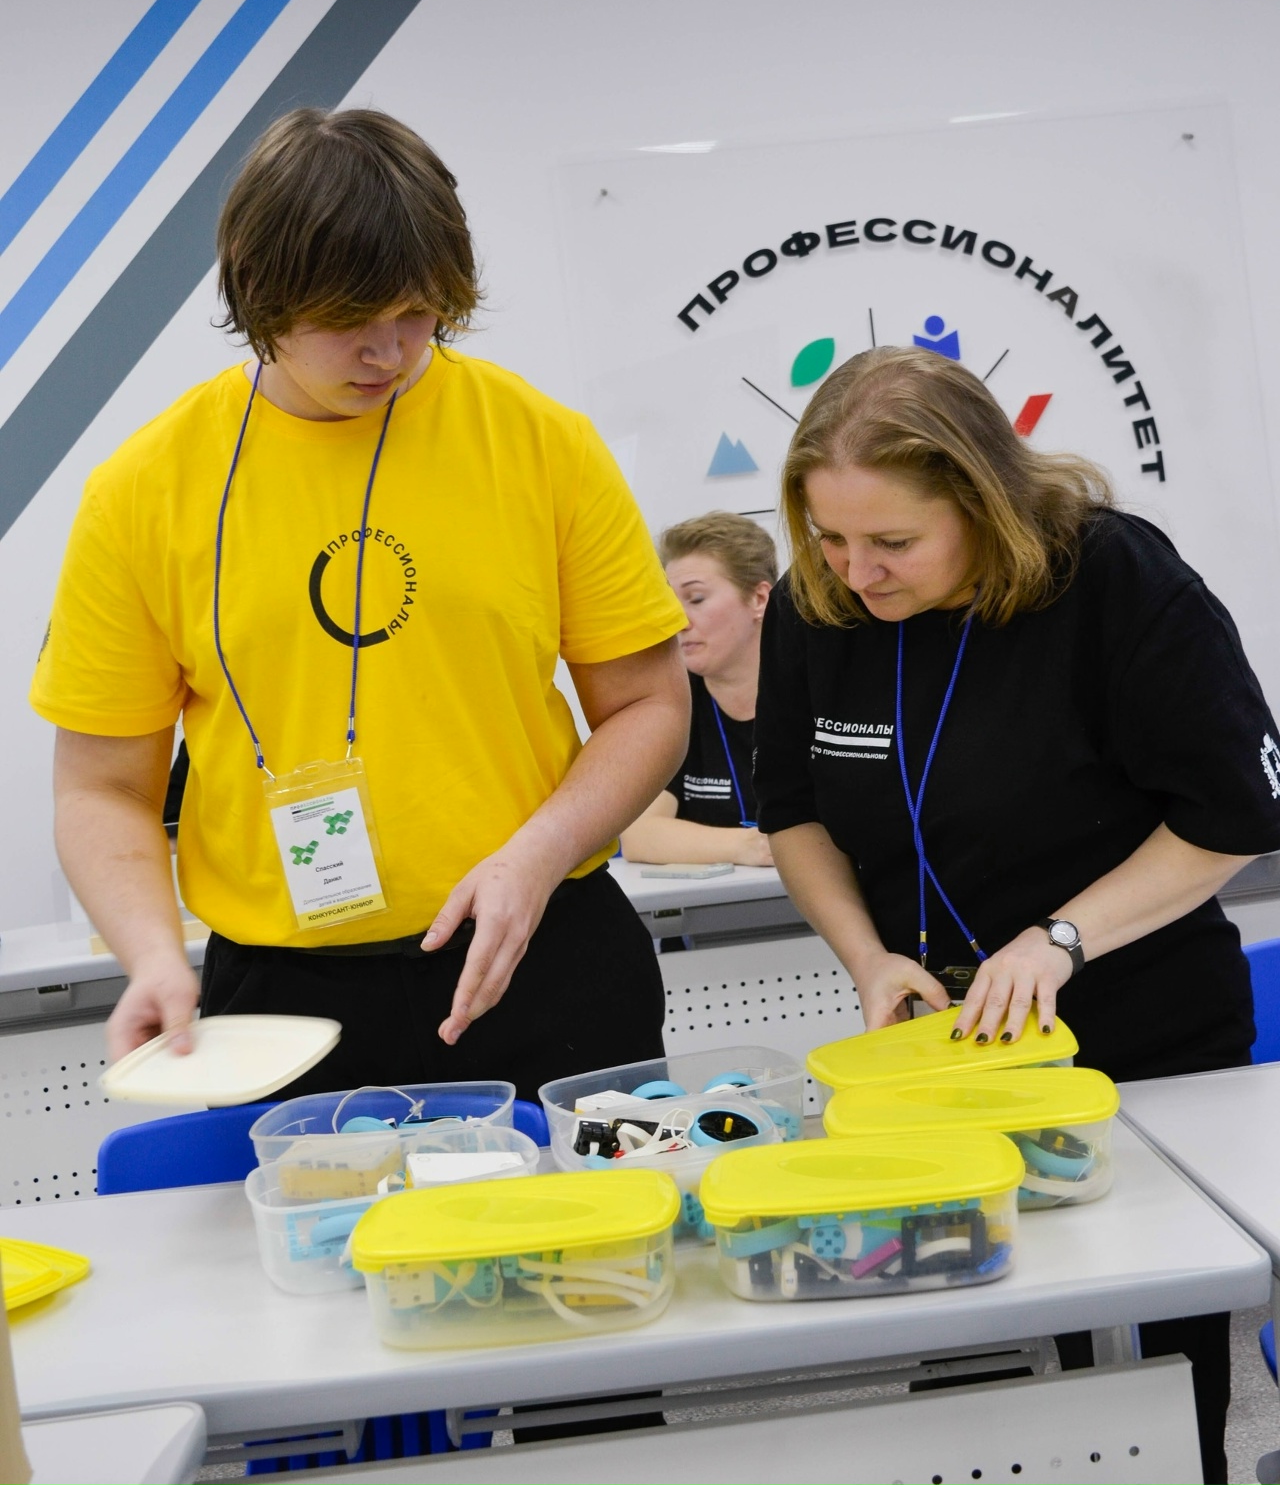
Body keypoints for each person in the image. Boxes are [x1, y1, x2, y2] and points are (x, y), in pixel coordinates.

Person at [30, 107, 690, 1104]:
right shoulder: (143, 491)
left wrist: (538, 853)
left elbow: (648, 706)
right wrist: (153, 954)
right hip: (283, 1004)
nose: (391, 353)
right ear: (260, 294)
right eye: (350, 321)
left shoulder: (540, 442)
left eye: (419, 313)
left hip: (539, 947)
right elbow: (99, 788)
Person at [753, 344, 1280, 1485]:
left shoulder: (1112, 581)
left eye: (893, 543)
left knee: (1156, 1380)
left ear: (983, 501)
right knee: (977, 1374)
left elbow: (1233, 815)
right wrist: (866, 956)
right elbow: (792, 813)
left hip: (1139, 1041)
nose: (856, 572)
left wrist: (1061, 938)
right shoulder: (818, 606)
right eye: (830, 537)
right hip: (935, 1063)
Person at [621, 512, 774, 867]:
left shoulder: (816, 690)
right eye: (670, 601)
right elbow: (638, 835)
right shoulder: (670, 701)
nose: (677, 619)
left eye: (697, 598)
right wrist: (751, 846)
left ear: (758, 599)